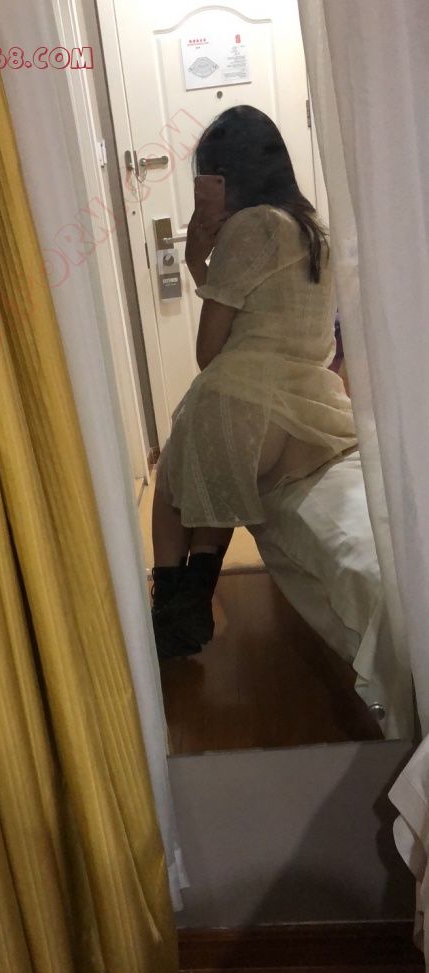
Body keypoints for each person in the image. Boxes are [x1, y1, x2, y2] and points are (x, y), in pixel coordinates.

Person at [151, 105, 357, 661]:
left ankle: (175, 605)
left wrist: (197, 258)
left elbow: (210, 353)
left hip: (246, 405)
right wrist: (204, 266)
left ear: (227, 174)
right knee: (218, 472)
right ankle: (195, 593)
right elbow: (268, 317)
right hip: (309, 413)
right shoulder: (313, 232)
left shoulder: (251, 226)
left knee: (174, 480)